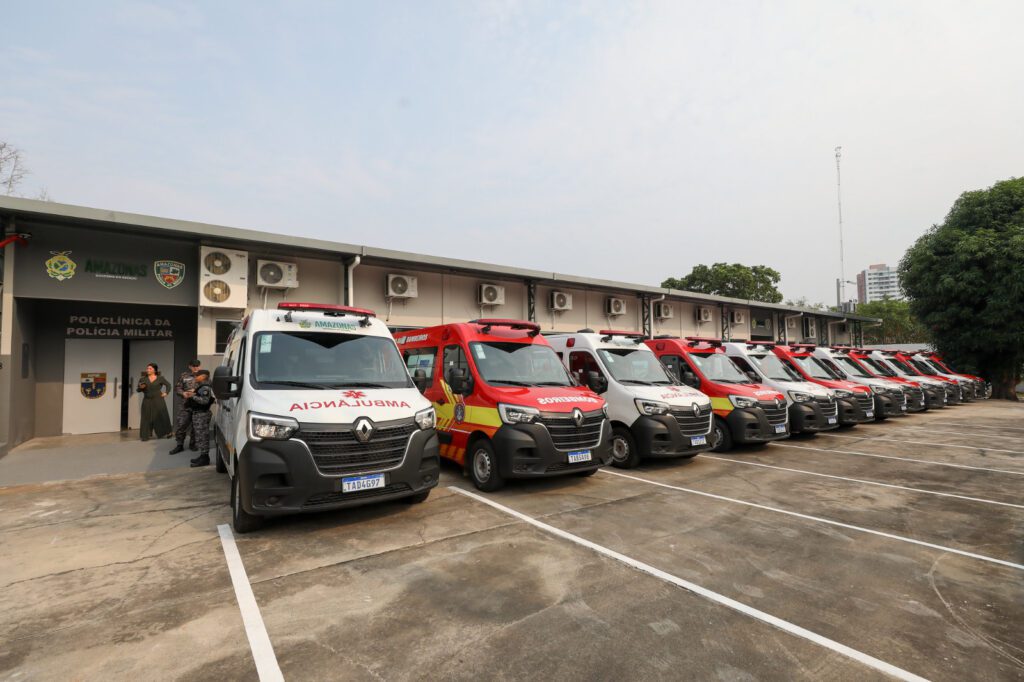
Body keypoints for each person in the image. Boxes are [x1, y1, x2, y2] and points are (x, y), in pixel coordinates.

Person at [186, 370, 215, 467]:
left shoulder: (205, 387)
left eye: (198, 375)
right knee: (200, 436)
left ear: (203, 376)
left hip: (202, 414)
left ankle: (205, 458)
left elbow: (205, 401)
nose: (195, 376)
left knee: (203, 436)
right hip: (198, 414)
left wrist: (193, 396)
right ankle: (203, 456)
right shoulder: (201, 386)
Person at [137, 363, 172, 441]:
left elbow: (168, 385)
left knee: (162, 415)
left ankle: (168, 432)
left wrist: (166, 392)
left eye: (150, 368)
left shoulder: (160, 378)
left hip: (158, 399)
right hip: (147, 399)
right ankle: (145, 435)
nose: (148, 370)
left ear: (154, 370)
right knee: (146, 417)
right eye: (147, 368)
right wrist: (141, 388)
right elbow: (138, 390)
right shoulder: (143, 379)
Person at [173, 360, 201, 451]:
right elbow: (177, 388)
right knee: (181, 424)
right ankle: (179, 445)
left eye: (197, 366)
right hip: (185, 405)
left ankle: (193, 444)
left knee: (195, 425)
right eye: (194, 366)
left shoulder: (204, 376)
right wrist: (183, 393)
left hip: (198, 405)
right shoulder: (184, 376)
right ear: (190, 366)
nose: (196, 367)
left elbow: (209, 388)